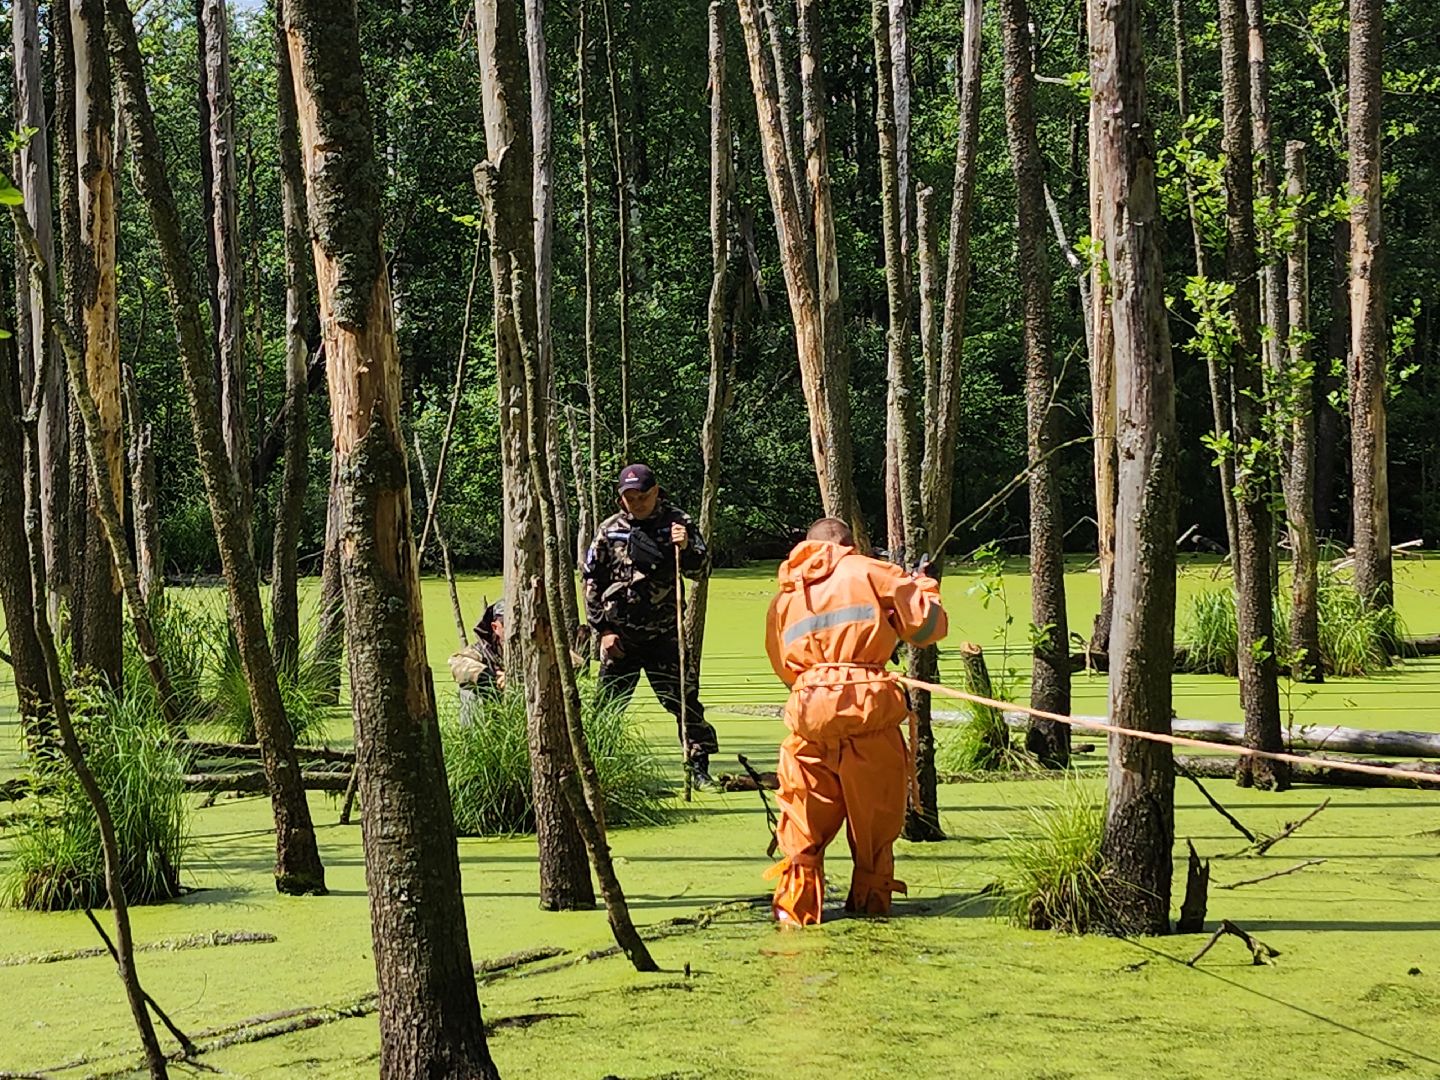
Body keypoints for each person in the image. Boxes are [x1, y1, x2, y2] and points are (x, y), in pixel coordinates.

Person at [763, 517, 948, 926]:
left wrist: (820, 681)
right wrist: (926, 587)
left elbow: (783, 666)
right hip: (868, 711)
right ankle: (871, 906)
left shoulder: (785, 595)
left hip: (809, 712)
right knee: (875, 828)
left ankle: (794, 915)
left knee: (803, 827)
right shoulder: (872, 570)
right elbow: (929, 629)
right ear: (850, 544)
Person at [583, 463, 719, 783]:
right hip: (620, 638)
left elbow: (700, 571)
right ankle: (599, 770)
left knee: (684, 703)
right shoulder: (609, 530)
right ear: (620, 499)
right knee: (606, 708)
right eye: (629, 498)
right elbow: (590, 582)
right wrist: (603, 630)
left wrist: (686, 547)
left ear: (655, 492)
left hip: (664, 636)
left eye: (642, 496)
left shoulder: (677, 523)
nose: (636, 503)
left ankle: (698, 768)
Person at [448, 599, 506, 721]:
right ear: (495, 627)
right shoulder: (485, 648)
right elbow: (457, 662)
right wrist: (488, 678)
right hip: (494, 712)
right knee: (468, 689)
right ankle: (474, 738)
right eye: (508, 624)